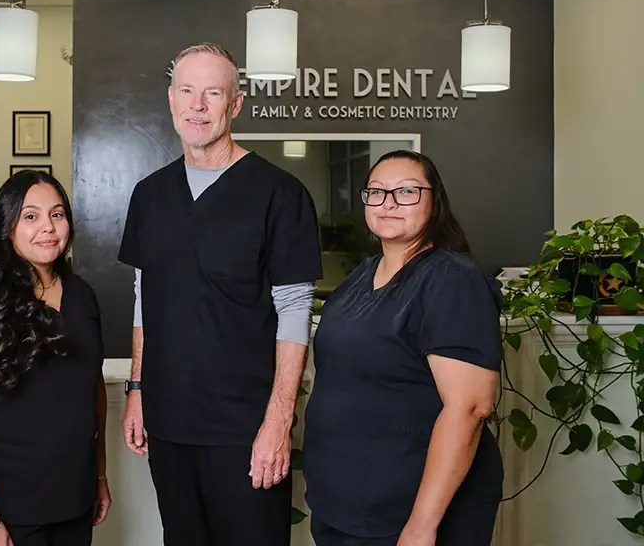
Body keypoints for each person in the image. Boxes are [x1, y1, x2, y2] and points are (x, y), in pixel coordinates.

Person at [118, 43, 323, 545]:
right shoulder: (150, 194)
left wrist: (278, 420)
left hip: (244, 426)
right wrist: (138, 389)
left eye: (213, 93)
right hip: (168, 420)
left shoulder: (280, 194)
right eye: (187, 91)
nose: (198, 105)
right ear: (171, 99)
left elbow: (294, 310)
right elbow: (146, 296)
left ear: (236, 103)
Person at [302, 150, 504, 546]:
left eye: (407, 191)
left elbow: (469, 407)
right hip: (344, 507)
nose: (388, 203)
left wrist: (422, 524)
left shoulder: (453, 280)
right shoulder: (363, 274)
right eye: (377, 192)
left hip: (409, 514)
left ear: (435, 201)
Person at [0, 170, 112, 546]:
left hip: (75, 499)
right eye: (30, 216)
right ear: (7, 228)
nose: (47, 227)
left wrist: (99, 476)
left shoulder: (83, 296)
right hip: (8, 508)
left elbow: (92, 392)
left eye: (57, 214)